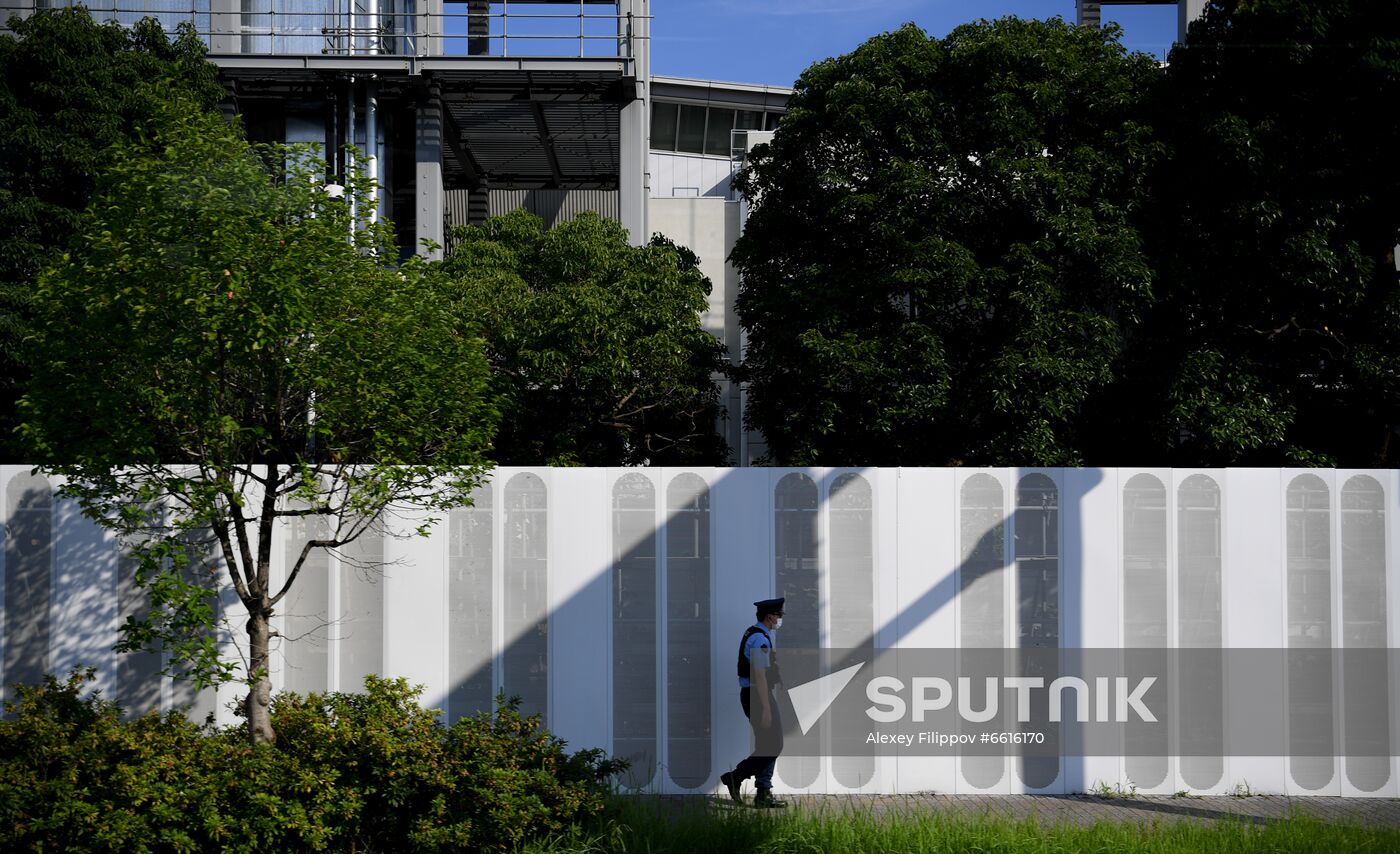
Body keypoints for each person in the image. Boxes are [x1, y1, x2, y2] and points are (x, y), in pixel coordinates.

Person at [720, 597, 788, 808]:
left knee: (766, 744)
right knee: (775, 744)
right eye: (778, 616)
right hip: (758, 696)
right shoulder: (760, 640)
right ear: (770, 616)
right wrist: (766, 707)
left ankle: (763, 793)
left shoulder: (755, 632)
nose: (779, 619)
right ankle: (735, 777)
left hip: (754, 694)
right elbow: (759, 674)